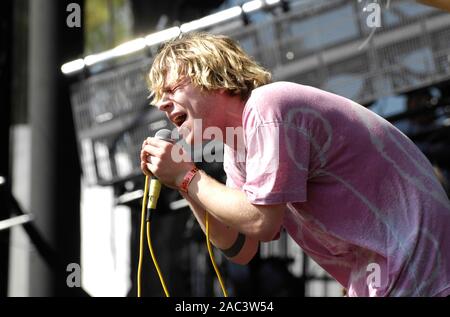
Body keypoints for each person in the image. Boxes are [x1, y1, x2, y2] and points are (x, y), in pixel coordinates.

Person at [140, 33, 450, 297]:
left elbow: (262, 221)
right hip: (393, 274)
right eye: (158, 97)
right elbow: (240, 247)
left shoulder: (268, 107)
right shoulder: (237, 147)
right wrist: (182, 182)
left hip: (420, 266)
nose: (162, 104)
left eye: (171, 89)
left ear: (212, 78)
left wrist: (186, 175)